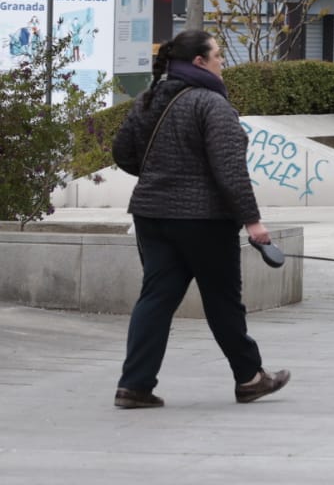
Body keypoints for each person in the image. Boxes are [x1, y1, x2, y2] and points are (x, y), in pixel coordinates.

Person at [109, 30, 289, 409]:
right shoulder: (211, 104)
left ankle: (134, 385)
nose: (223, 61)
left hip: (151, 214)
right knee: (223, 300)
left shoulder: (148, 99)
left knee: (155, 298)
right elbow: (230, 171)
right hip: (204, 220)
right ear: (199, 62)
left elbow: (123, 152)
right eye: (219, 54)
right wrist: (254, 223)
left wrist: (161, 174)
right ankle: (250, 378)